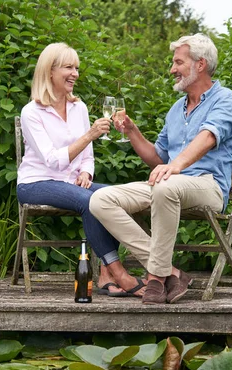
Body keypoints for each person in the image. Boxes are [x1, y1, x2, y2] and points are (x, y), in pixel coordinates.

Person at [90, 33, 232, 304]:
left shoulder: (224, 98)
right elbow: (158, 158)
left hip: (208, 185)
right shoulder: (175, 110)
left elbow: (208, 137)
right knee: (100, 200)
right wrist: (133, 131)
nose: (172, 69)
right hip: (168, 186)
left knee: (165, 186)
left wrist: (175, 166)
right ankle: (169, 271)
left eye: (178, 62)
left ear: (200, 64)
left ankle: (156, 281)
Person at [17, 42, 145, 297]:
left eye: (76, 68)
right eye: (68, 67)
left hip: (72, 182)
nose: (75, 73)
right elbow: (53, 161)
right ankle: (119, 272)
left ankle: (106, 273)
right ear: (49, 71)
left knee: (115, 197)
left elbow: (87, 157)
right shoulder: (31, 112)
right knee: (90, 201)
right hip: (36, 183)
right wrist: (90, 134)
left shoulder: (80, 107)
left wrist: (86, 173)